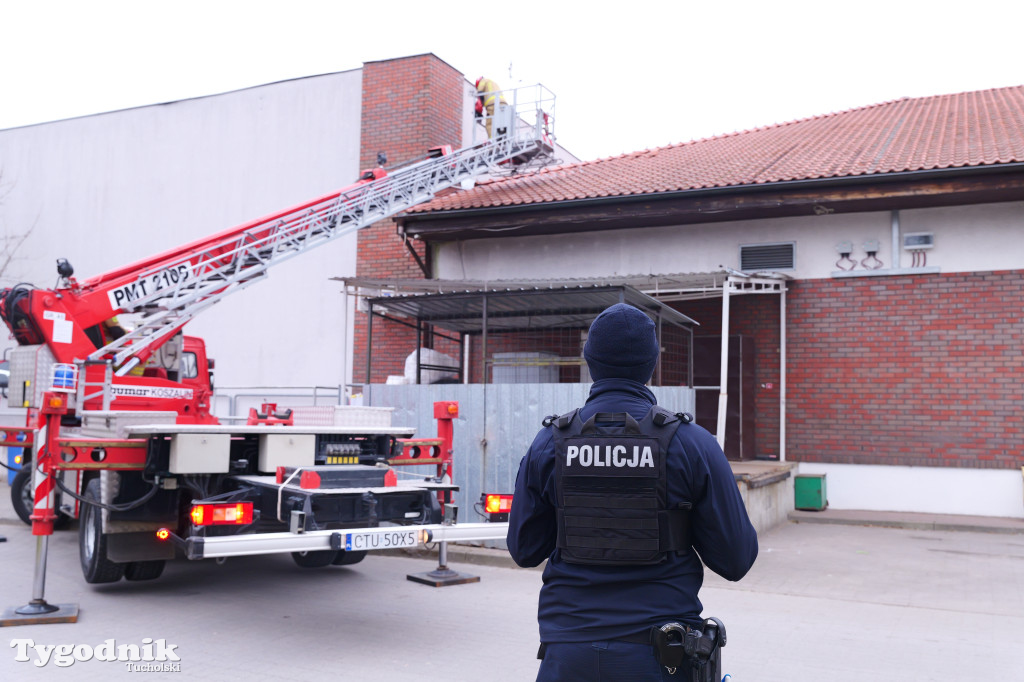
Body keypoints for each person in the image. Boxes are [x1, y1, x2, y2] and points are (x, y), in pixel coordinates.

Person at [507, 303, 759, 681]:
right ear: (652, 363)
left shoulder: (549, 442)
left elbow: (524, 550)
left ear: (589, 361)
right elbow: (736, 561)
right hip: (660, 658)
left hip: (568, 654)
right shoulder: (693, 444)